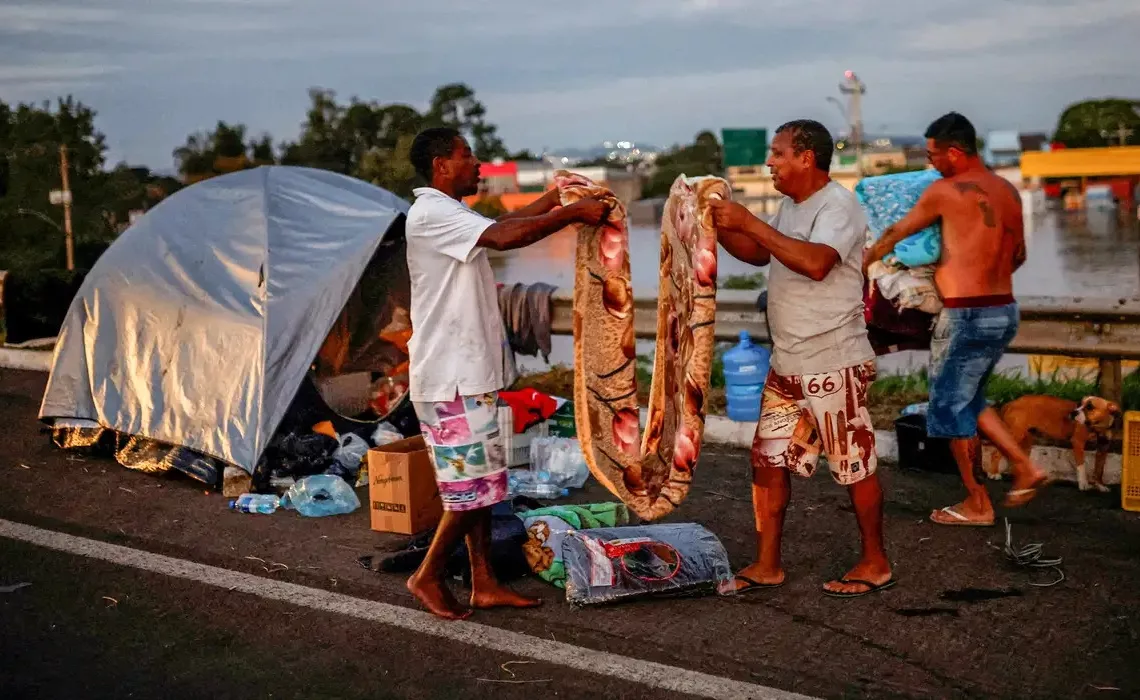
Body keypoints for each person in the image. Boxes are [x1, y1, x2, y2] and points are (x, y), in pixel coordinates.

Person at [403, 127, 608, 619]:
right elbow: (503, 236)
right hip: (450, 378)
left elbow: (502, 222)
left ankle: (484, 581)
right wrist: (572, 214)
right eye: (466, 155)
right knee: (472, 492)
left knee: (484, 484)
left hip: (468, 374)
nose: (476, 163)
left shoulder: (451, 213)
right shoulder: (430, 212)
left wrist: (552, 198)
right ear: (440, 165)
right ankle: (426, 575)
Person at [710, 120, 894, 598]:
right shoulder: (789, 205)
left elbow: (816, 263)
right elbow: (758, 255)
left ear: (806, 158)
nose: (770, 162)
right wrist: (719, 224)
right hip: (788, 362)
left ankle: (875, 561)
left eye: (778, 153)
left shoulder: (840, 205)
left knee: (853, 465)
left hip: (834, 357)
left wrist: (749, 221)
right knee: (766, 463)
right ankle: (768, 564)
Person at [863, 112, 1047, 527]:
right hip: (1003, 310)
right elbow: (1018, 255)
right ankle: (1022, 466)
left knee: (947, 409)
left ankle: (979, 502)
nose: (931, 164)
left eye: (933, 156)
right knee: (970, 399)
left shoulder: (946, 191)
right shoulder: (1008, 191)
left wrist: (864, 262)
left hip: (966, 315)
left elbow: (896, 232)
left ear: (955, 152)